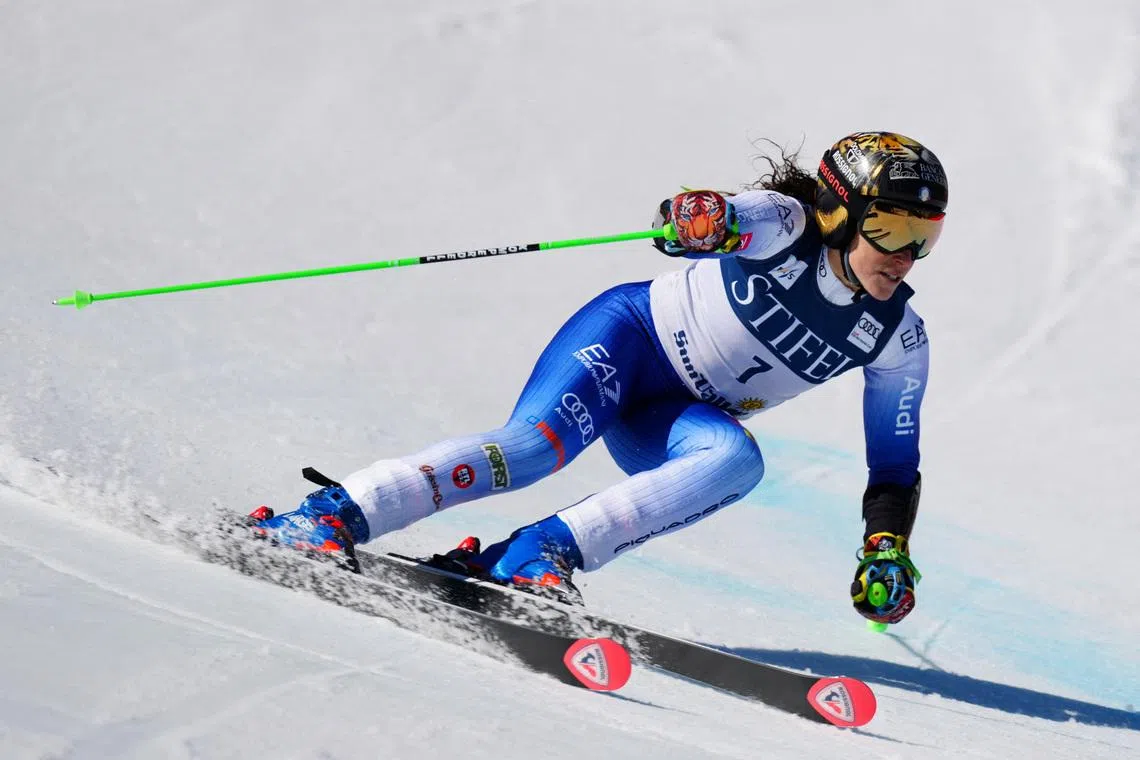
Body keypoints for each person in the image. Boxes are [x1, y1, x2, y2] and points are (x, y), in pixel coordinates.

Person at [251, 131, 946, 625]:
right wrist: (699, 219)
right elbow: (727, 217)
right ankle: (329, 515)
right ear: (838, 213)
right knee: (534, 449)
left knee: (736, 461)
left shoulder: (897, 337)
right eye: (890, 229)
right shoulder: (788, 226)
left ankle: (533, 554)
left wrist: (885, 547)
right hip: (629, 342)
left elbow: (893, 466)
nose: (906, 255)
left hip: (671, 416)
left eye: (925, 236)